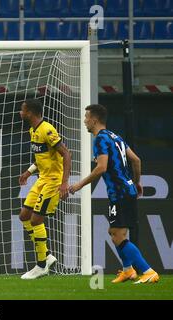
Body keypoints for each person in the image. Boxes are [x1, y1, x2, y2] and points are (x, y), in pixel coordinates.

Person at [69, 104, 159, 284]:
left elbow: (101, 168)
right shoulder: (115, 136)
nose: (85, 120)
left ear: (94, 120)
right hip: (127, 190)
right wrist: (137, 182)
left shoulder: (101, 139)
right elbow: (136, 160)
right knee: (116, 232)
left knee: (117, 235)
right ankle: (128, 270)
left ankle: (148, 271)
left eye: (86, 117)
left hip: (119, 192)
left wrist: (79, 184)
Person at [18, 98, 71, 280]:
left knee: (35, 220)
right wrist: (28, 172)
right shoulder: (33, 130)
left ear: (30, 113)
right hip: (41, 179)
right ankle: (47, 255)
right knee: (24, 216)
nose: (20, 113)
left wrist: (64, 183)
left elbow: (66, 154)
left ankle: (41, 265)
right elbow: (42, 157)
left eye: (22, 110)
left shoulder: (47, 130)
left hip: (53, 181)